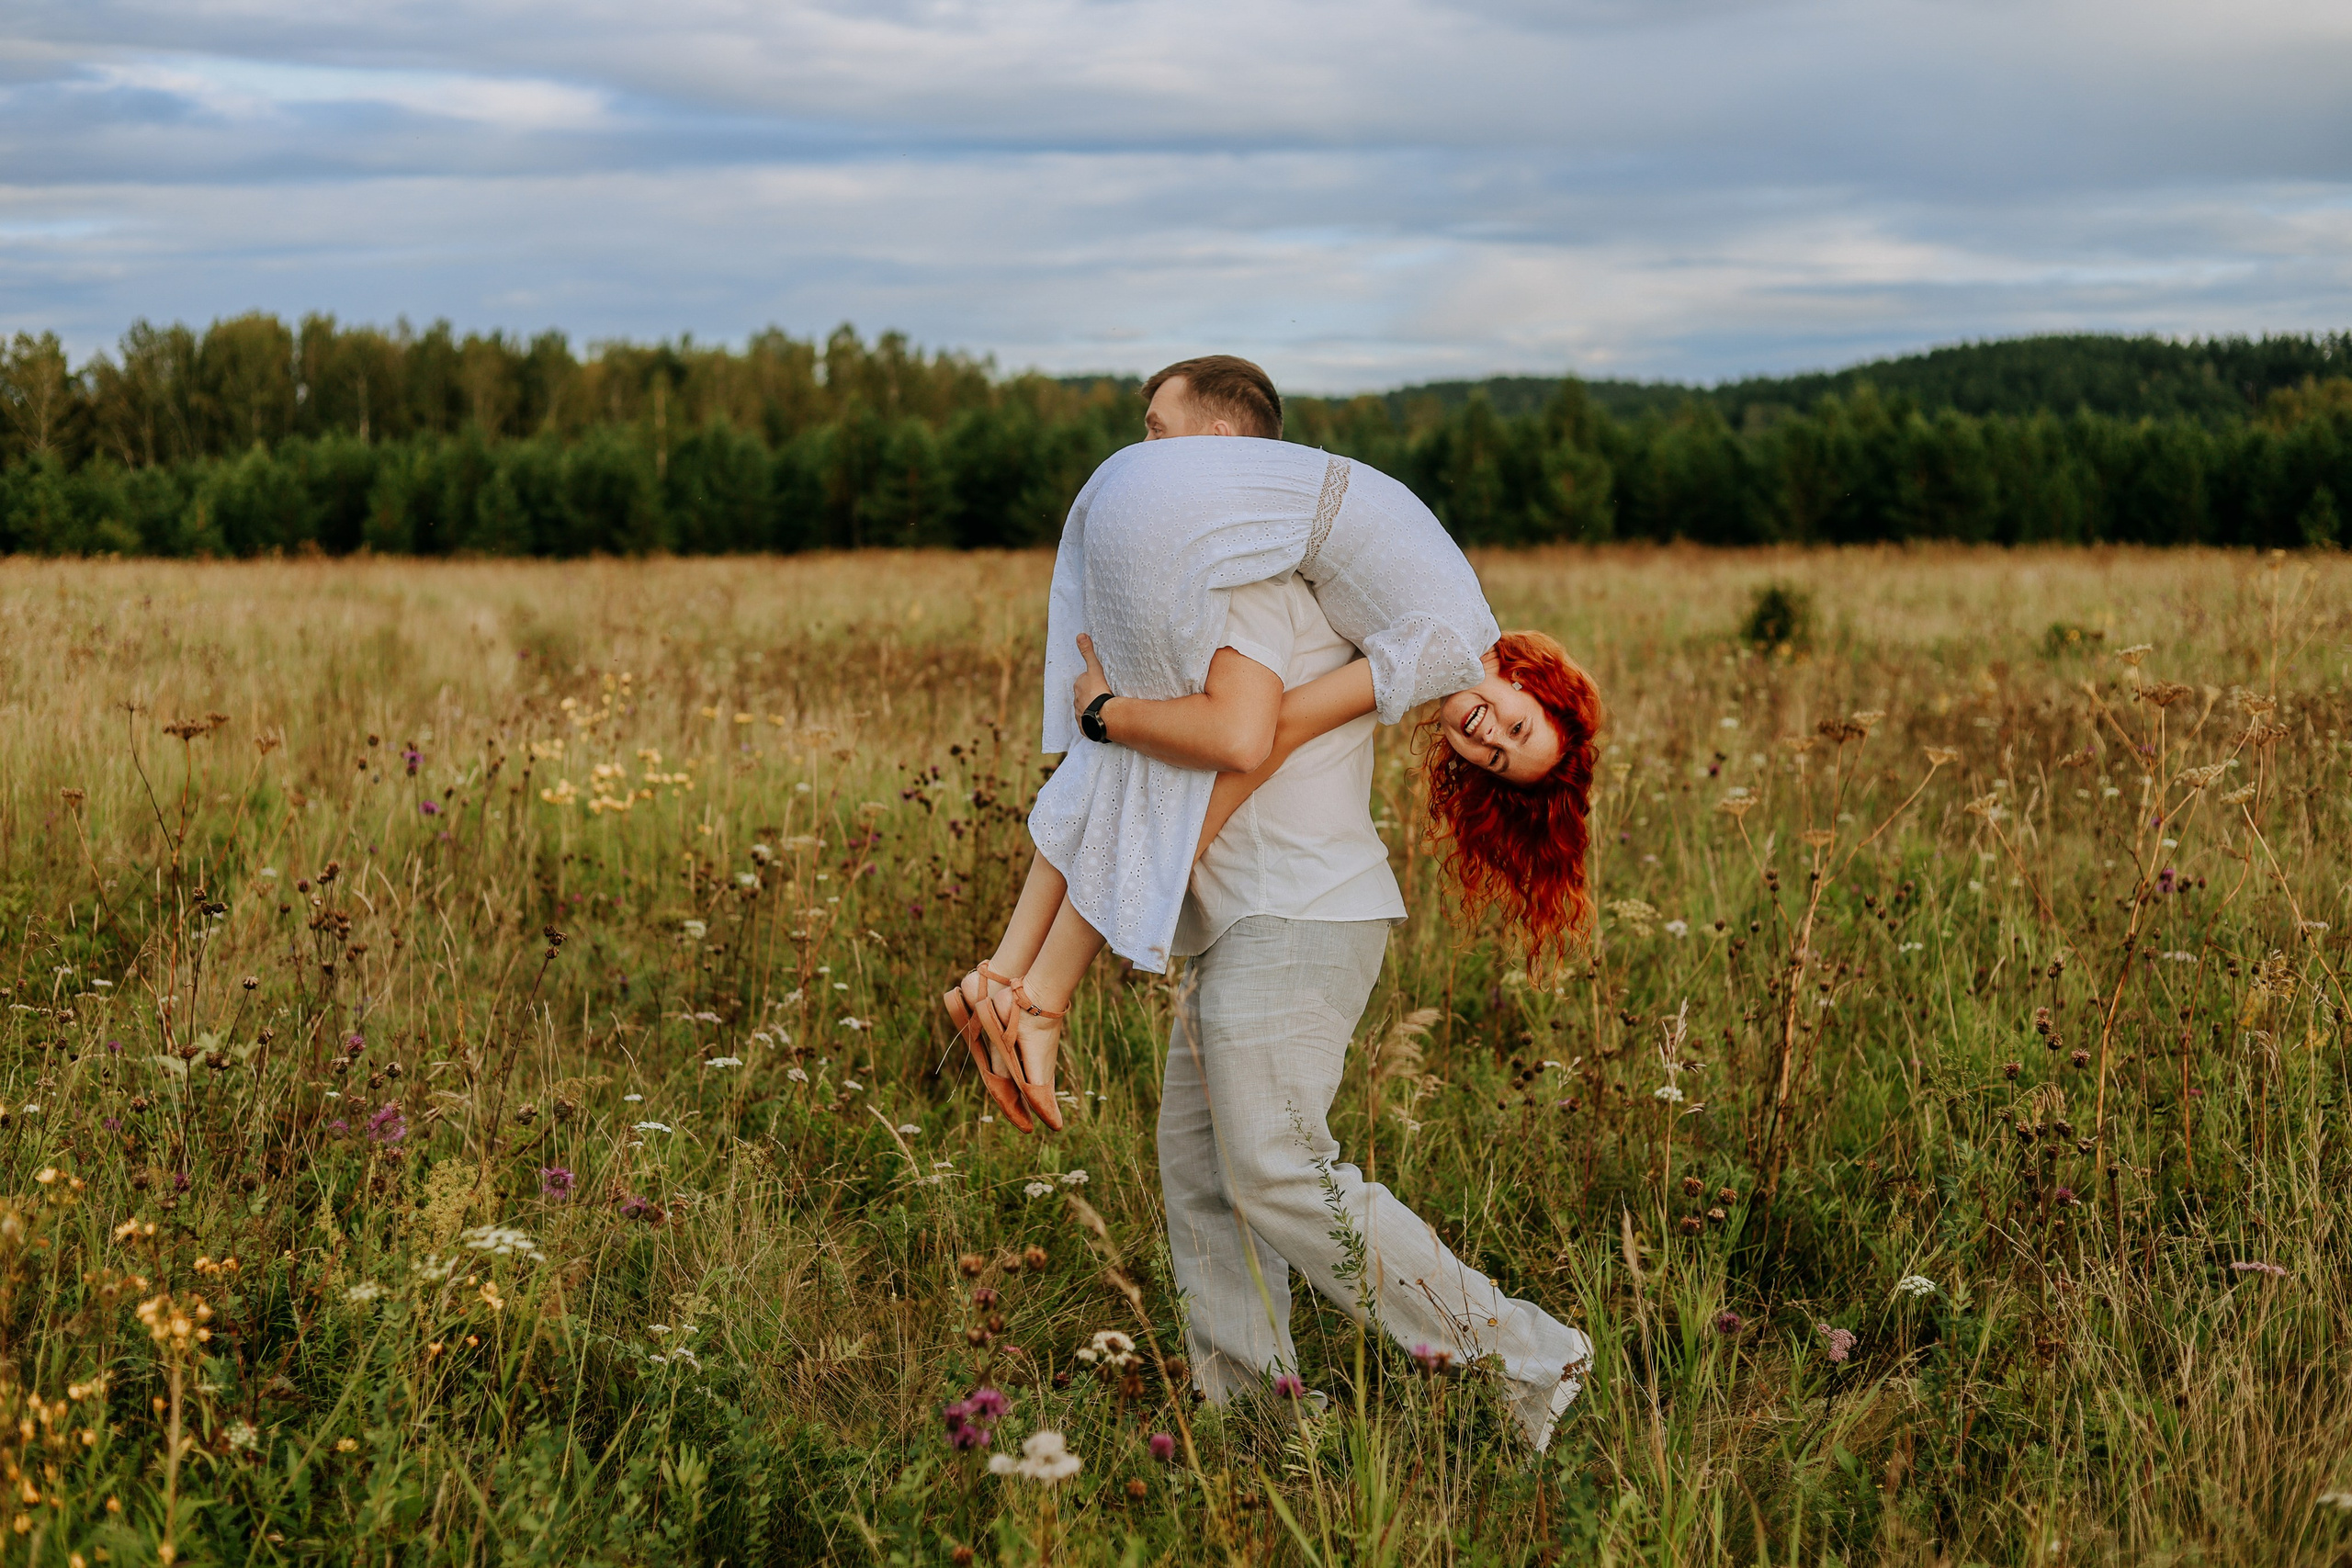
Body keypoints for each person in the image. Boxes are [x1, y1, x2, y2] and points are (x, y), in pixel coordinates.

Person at [944, 356, 1600, 1134]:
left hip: (1125, 501)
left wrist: (1128, 741)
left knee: (1129, 757)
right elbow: (1264, 734)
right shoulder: (1451, 645)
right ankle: (1042, 1002)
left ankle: (1002, 975)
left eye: (1495, 757)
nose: (1485, 736)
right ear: (1528, 678)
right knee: (1157, 758)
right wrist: (1176, 830)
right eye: (1515, 726)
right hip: (1169, 509)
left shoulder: (1446, 617)